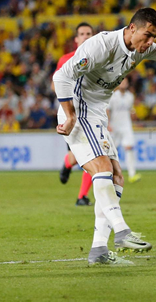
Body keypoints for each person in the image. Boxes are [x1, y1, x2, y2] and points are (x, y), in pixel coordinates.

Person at [53, 8, 156, 266]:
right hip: (79, 108)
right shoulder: (101, 45)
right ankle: (122, 231)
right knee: (103, 169)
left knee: (117, 175)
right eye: (148, 35)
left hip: (96, 113)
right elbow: (61, 75)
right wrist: (70, 114)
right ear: (131, 29)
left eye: (155, 36)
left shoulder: (145, 48)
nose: (151, 42)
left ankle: (98, 250)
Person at [53, 22, 95, 206]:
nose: (86, 36)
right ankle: (68, 162)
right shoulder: (66, 59)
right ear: (76, 39)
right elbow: (55, 84)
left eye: (89, 33)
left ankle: (82, 197)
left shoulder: (99, 60)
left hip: (92, 113)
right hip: (72, 114)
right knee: (81, 156)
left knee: (93, 154)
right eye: (82, 33)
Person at [107, 78, 141, 183]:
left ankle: (132, 174)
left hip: (126, 126)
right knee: (112, 151)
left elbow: (131, 110)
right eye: (122, 81)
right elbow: (107, 110)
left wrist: (134, 116)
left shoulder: (130, 96)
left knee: (129, 148)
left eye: (126, 82)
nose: (124, 83)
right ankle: (109, 173)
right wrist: (108, 123)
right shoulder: (112, 96)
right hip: (115, 126)